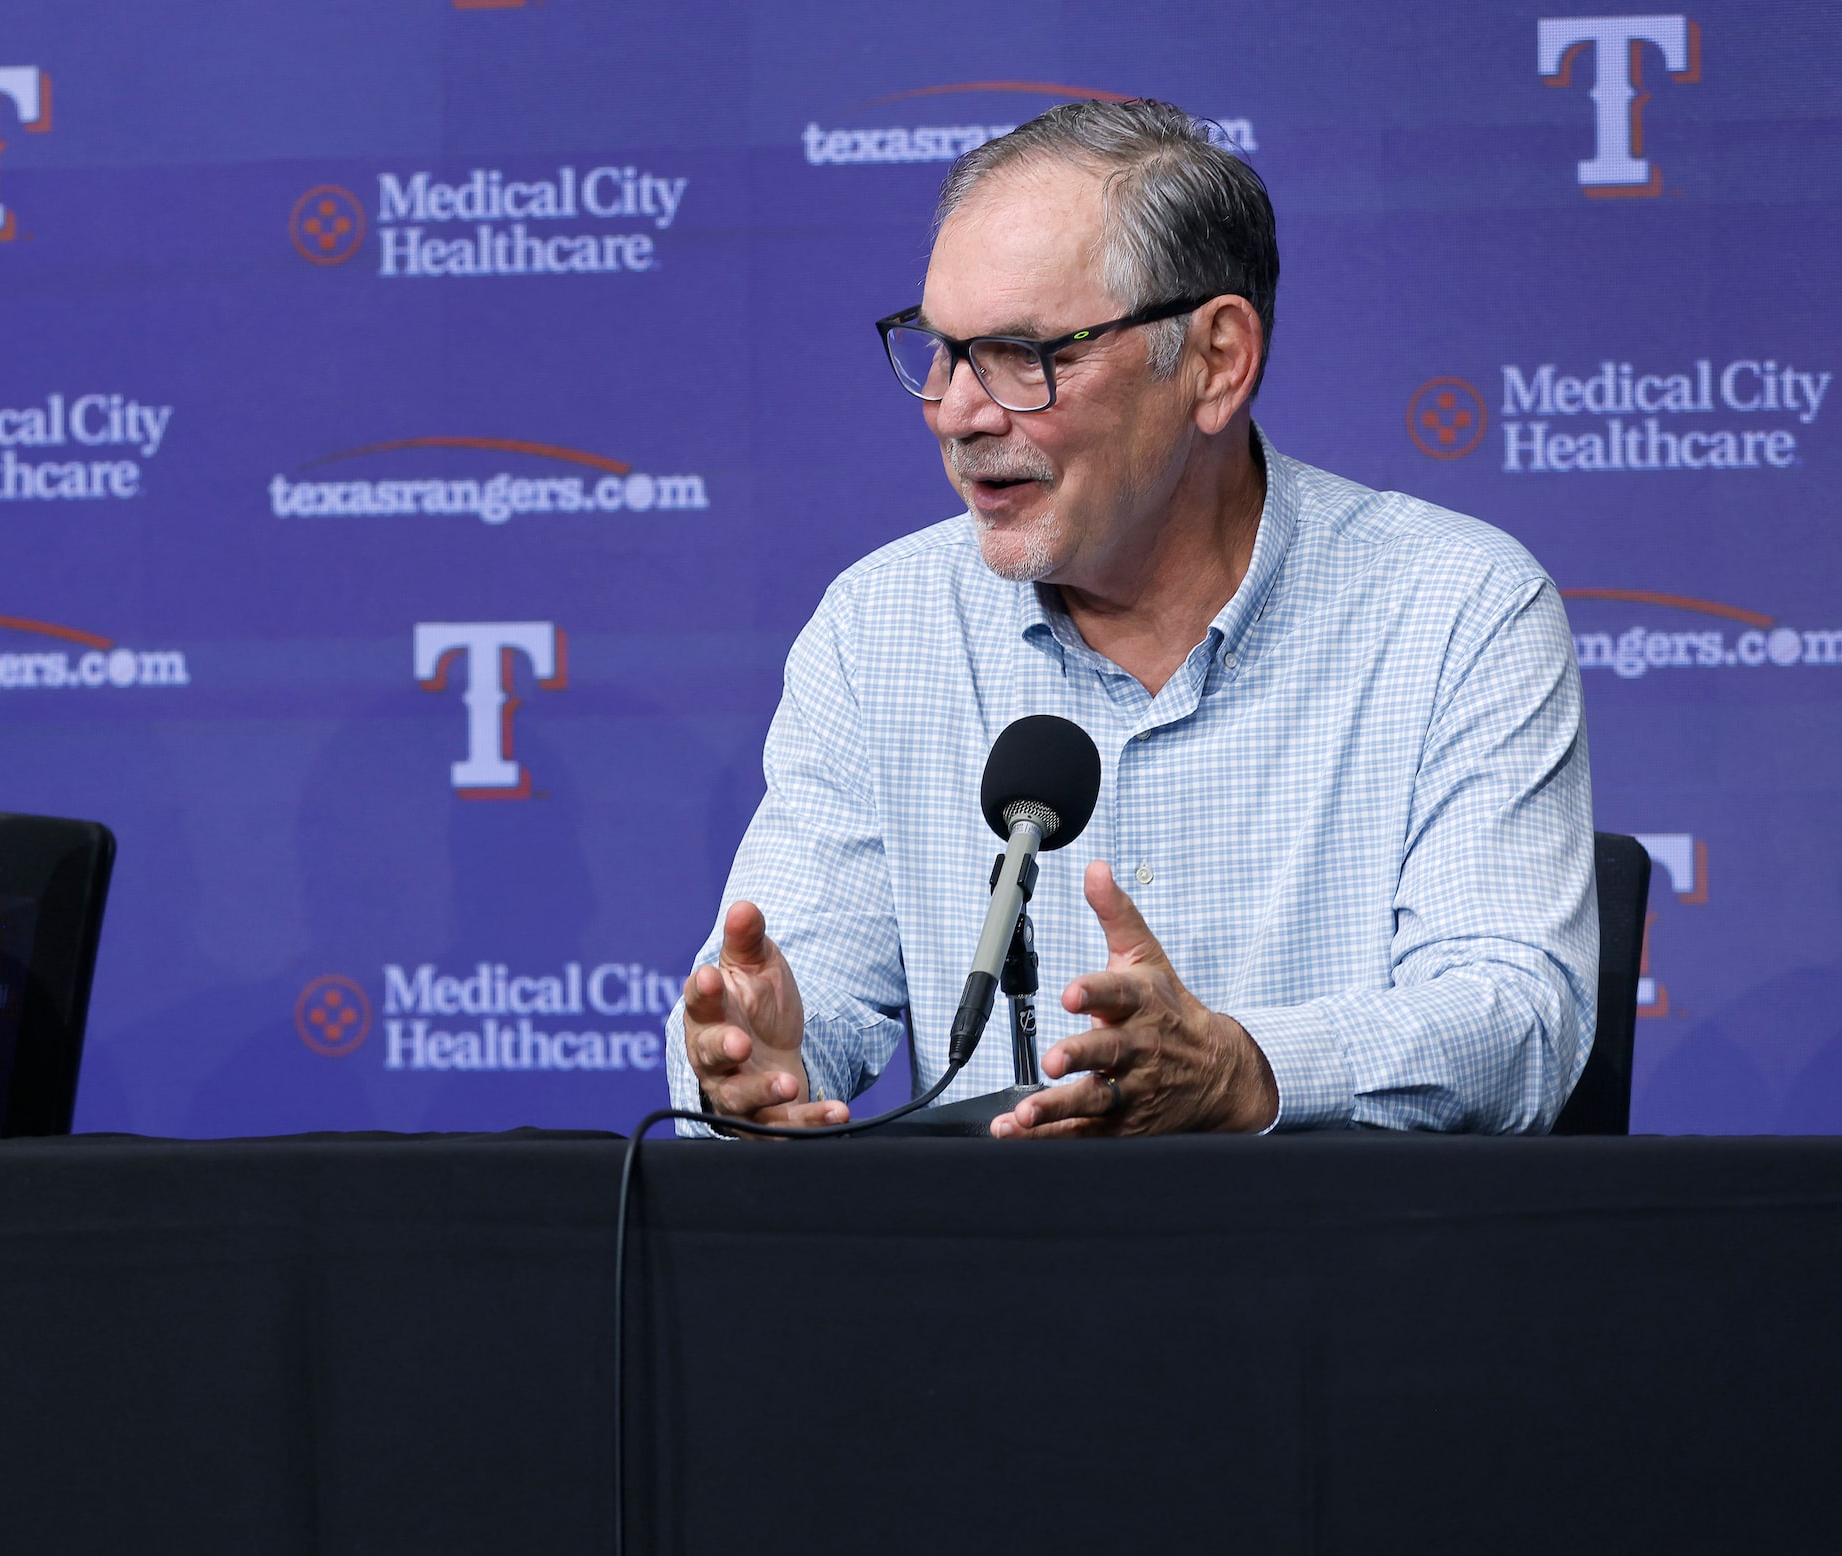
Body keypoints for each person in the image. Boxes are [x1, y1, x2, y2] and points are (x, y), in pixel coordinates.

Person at [668, 100, 1596, 1138]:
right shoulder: (879, 629)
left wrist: (1246, 1071)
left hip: (1349, 1277)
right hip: (994, 1286)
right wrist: (754, 1065)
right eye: (939, 348)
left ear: (1216, 361)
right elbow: (792, 995)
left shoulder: (1455, 608)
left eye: (1024, 353)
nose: (959, 412)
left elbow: (1520, 1017)